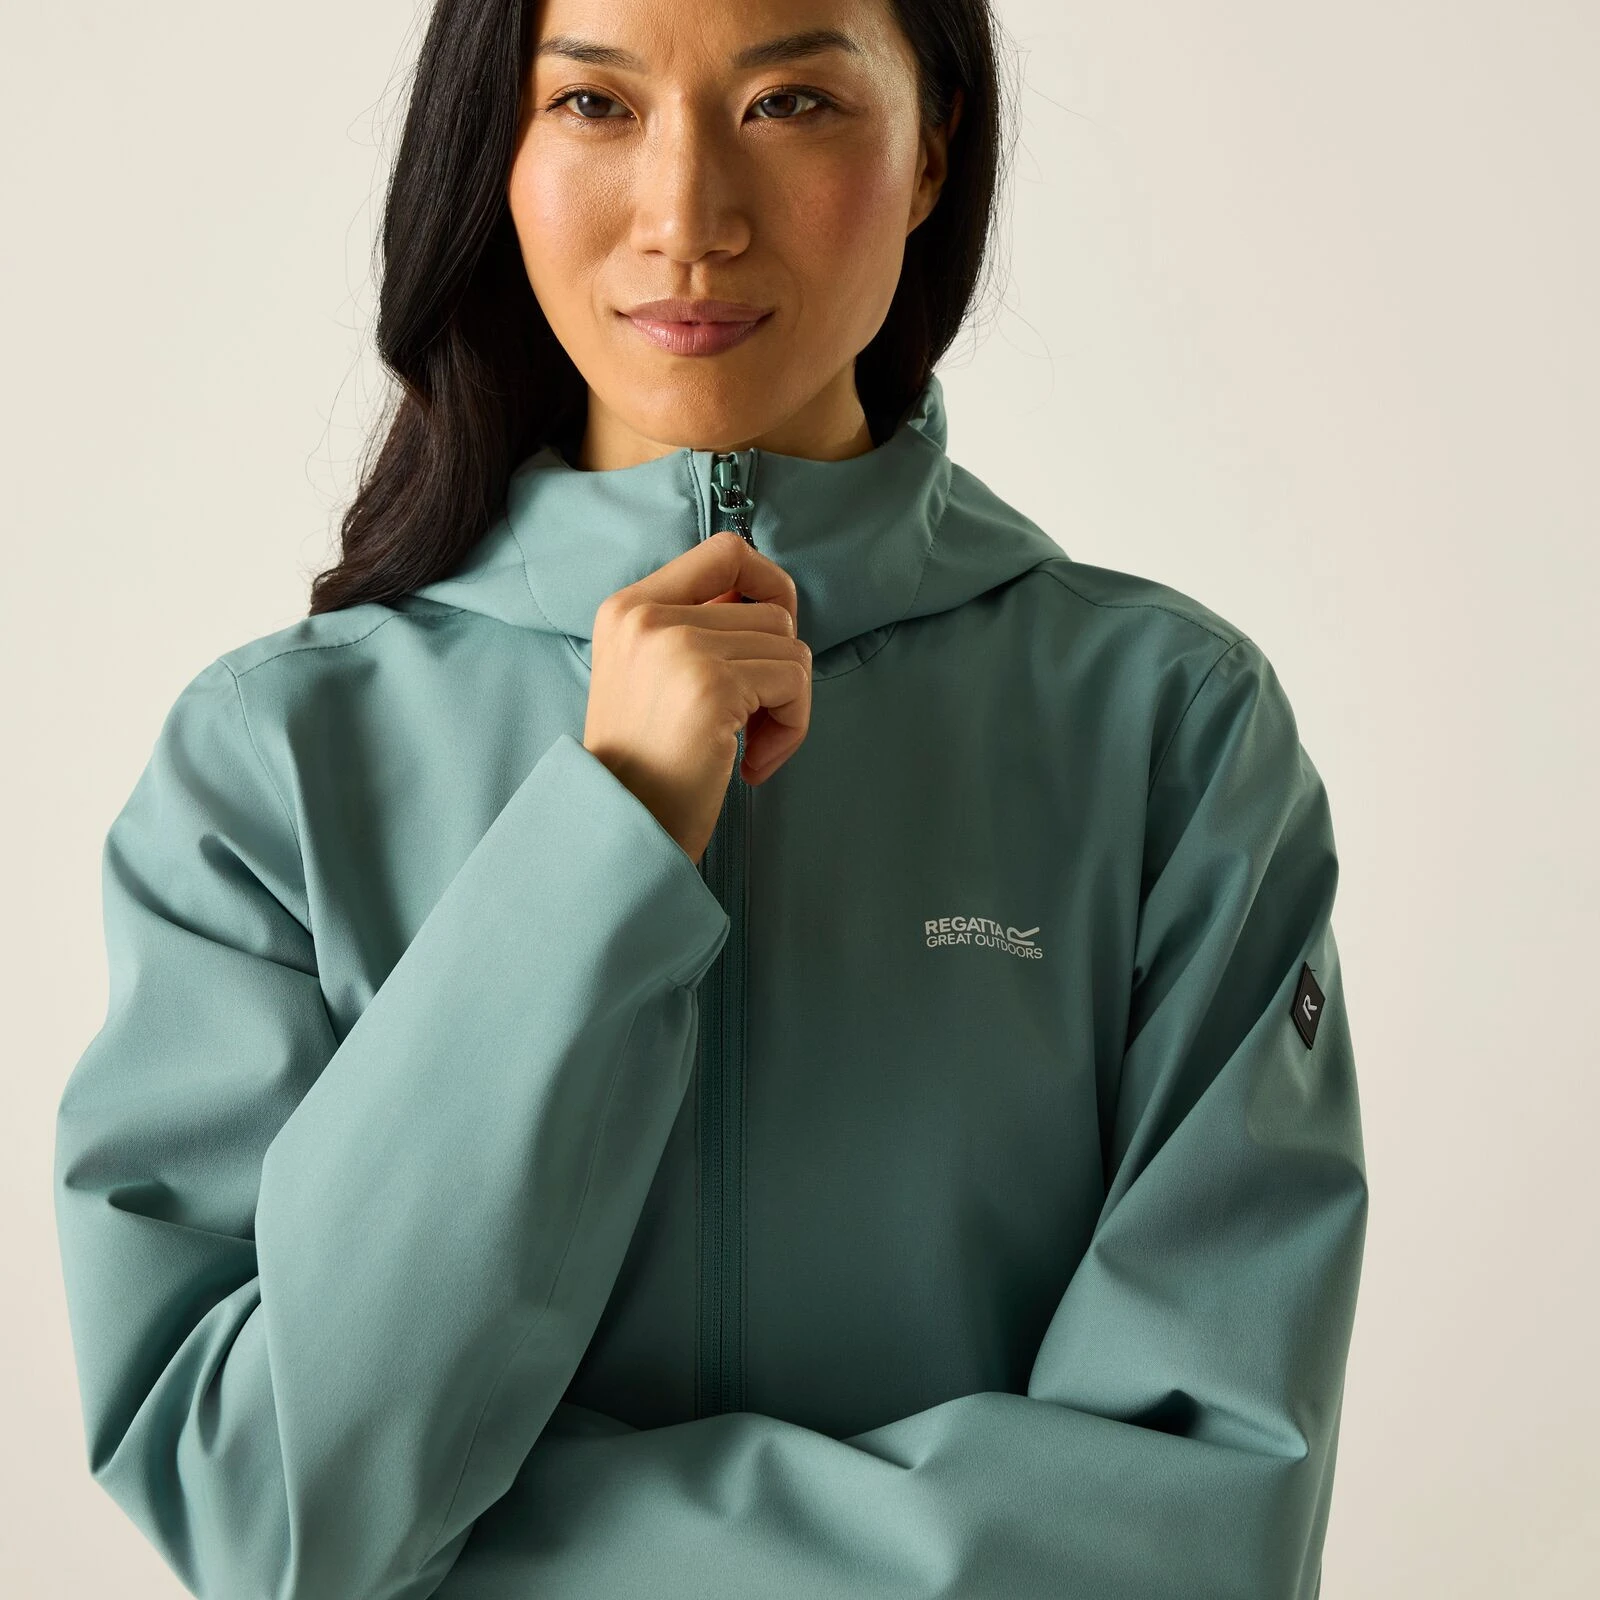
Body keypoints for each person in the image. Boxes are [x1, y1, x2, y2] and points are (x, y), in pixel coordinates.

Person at [51, 1, 1368, 1596]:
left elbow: (1196, 1531)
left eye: (790, 101)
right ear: (498, 149)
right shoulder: (267, 766)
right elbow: (262, 1505)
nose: (687, 218)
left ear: (932, 146)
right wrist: (603, 837)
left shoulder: (1172, 736)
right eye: (594, 104)